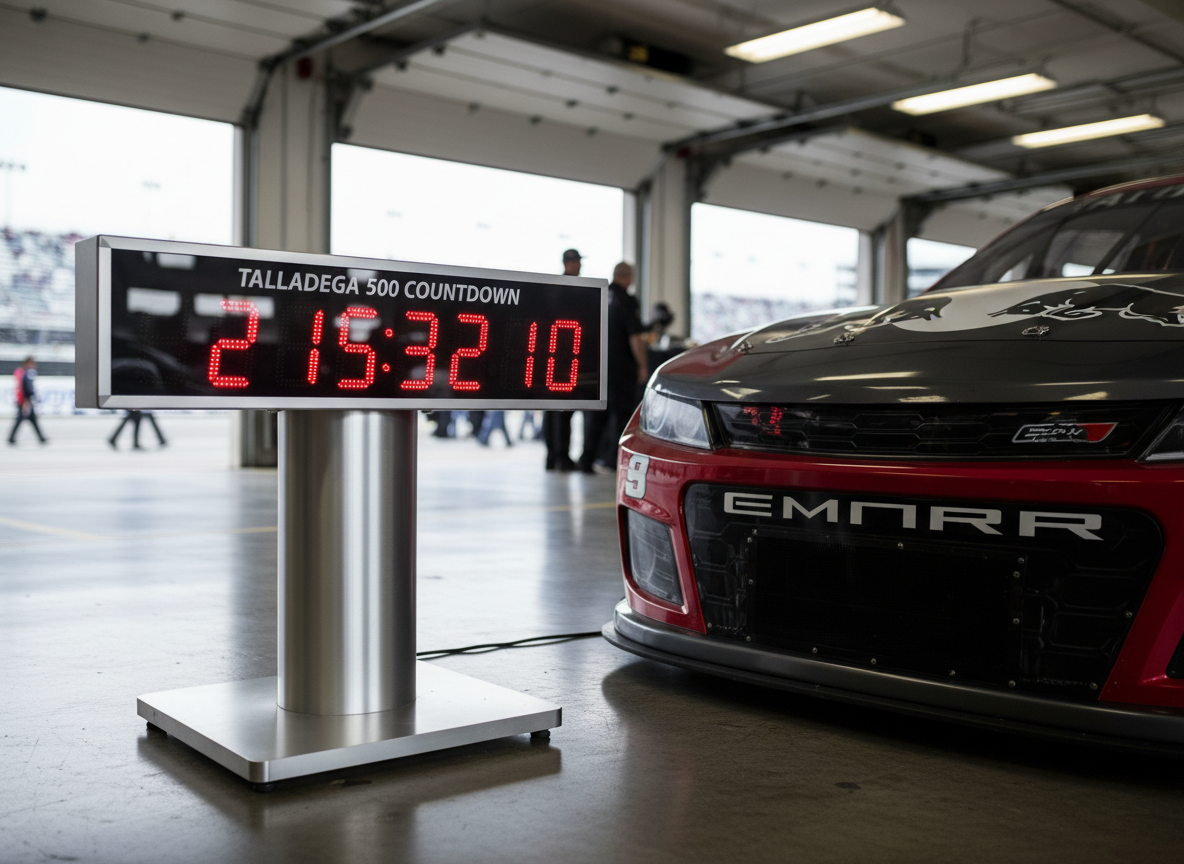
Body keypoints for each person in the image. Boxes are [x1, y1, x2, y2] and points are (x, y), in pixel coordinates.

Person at [578, 262, 647, 473]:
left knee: (596, 416)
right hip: (621, 368)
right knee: (622, 416)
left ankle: (587, 458)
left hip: (598, 365)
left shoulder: (602, 297)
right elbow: (634, 336)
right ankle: (614, 460)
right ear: (627, 277)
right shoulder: (626, 300)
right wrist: (643, 365)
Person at [543, 248, 582, 471]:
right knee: (562, 410)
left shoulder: (554, 288)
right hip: (564, 356)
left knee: (553, 411)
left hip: (556, 355)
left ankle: (552, 457)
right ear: (569, 263)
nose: (580, 266)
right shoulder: (571, 289)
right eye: (577, 262)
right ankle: (561, 456)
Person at [8, 357, 48, 445]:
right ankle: (11, 438)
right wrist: (26, 400)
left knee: (32, 420)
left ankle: (41, 438)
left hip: (25, 400)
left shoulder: (23, 373)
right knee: (22, 420)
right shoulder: (25, 374)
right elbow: (25, 389)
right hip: (25, 401)